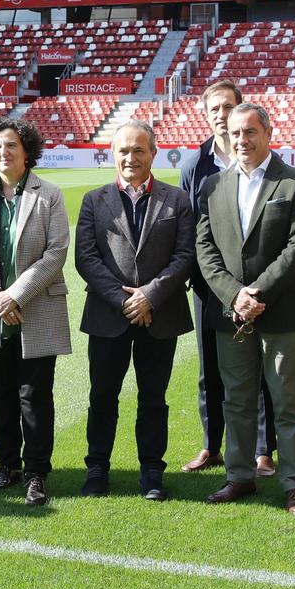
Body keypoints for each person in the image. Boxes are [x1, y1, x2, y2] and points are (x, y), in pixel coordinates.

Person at [193, 101, 295, 514]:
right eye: (235, 133)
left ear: (268, 133)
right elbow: (205, 248)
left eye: (250, 132)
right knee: (237, 400)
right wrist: (235, 296)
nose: (242, 140)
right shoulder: (213, 186)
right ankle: (239, 476)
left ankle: (294, 482)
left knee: (287, 399)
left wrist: (257, 293)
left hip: (280, 311)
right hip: (232, 315)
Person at [74, 121, 195, 500]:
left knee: (154, 398)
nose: (131, 157)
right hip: (109, 315)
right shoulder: (95, 200)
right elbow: (86, 258)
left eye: (139, 150)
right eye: (124, 150)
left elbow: (185, 255)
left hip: (160, 315)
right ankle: (97, 469)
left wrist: (149, 296)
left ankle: (152, 471)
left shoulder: (177, 200)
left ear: (153, 154)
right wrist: (126, 300)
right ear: (113, 154)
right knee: (102, 396)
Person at [0, 115, 71, 507]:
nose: (3, 153)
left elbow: (56, 252)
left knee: (35, 396)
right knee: (1, 394)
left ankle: (37, 472)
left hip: (35, 309)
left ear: (27, 153)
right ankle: (7, 464)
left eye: (11, 146)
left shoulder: (49, 194)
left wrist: (16, 296)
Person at [176, 79, 278, 477]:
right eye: (214, 109)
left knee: (261, 366)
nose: (221, 115)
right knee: (210, 368)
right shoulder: (193, 165)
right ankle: (211, 445)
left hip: (255, 285)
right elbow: (188, 228)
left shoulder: (261, 157)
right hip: (208, 285)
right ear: (206, 115)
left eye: (228, 107)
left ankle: (263, 450)